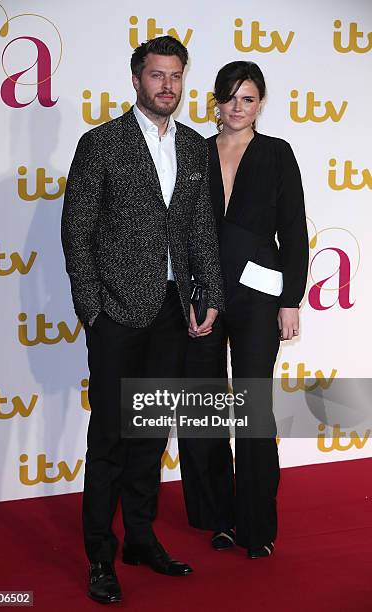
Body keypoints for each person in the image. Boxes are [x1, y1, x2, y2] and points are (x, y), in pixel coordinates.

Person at [61, 36, 223, 604]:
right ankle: (101, 557)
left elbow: (200, 229)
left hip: (172, 314)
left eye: (176, 76)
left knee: (150, 436)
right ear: (136, 80)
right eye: (157, 75)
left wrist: (210, 294)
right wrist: (92, 310)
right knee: (108, 437)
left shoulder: (198, 148)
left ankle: (141, 539)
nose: (168, 86)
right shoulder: (101, 143)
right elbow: (76, 233)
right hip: (116, 316)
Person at [178, 61, 309, 559]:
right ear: (217, 101)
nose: (238, 106)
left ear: (260, 104)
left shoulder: (277, 154)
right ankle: (220, 517)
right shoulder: (194, 153)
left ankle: (257, 525)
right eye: (231, 97)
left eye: (248, 98)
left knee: (254, 409)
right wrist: (189, 294)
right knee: (203, 408)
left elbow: (294, 232)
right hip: (204, 295)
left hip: (259, 299)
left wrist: (290, 300)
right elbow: (183, 230)